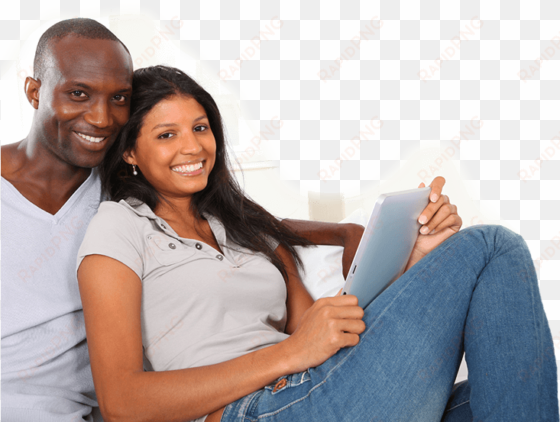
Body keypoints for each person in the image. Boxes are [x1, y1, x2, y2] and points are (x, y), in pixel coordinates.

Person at [77, 65, 558, 421]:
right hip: (256, 409)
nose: (193, 147)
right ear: (131, 154)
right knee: (493, 246)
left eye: (201, 128)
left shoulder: (248, 226)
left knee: (511, 392)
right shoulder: (119, 227)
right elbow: (122, 403)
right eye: (167, 134)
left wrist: (416, 264)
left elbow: (319, 328)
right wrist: (289, 355)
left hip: (316, 386)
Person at [0, 18, 366, 420]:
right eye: (78, 93)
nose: (102, 118)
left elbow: (228, 219)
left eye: (119, 98)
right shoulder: (111, 205)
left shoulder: (122, 186)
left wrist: (344, 232)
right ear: (34, 92)